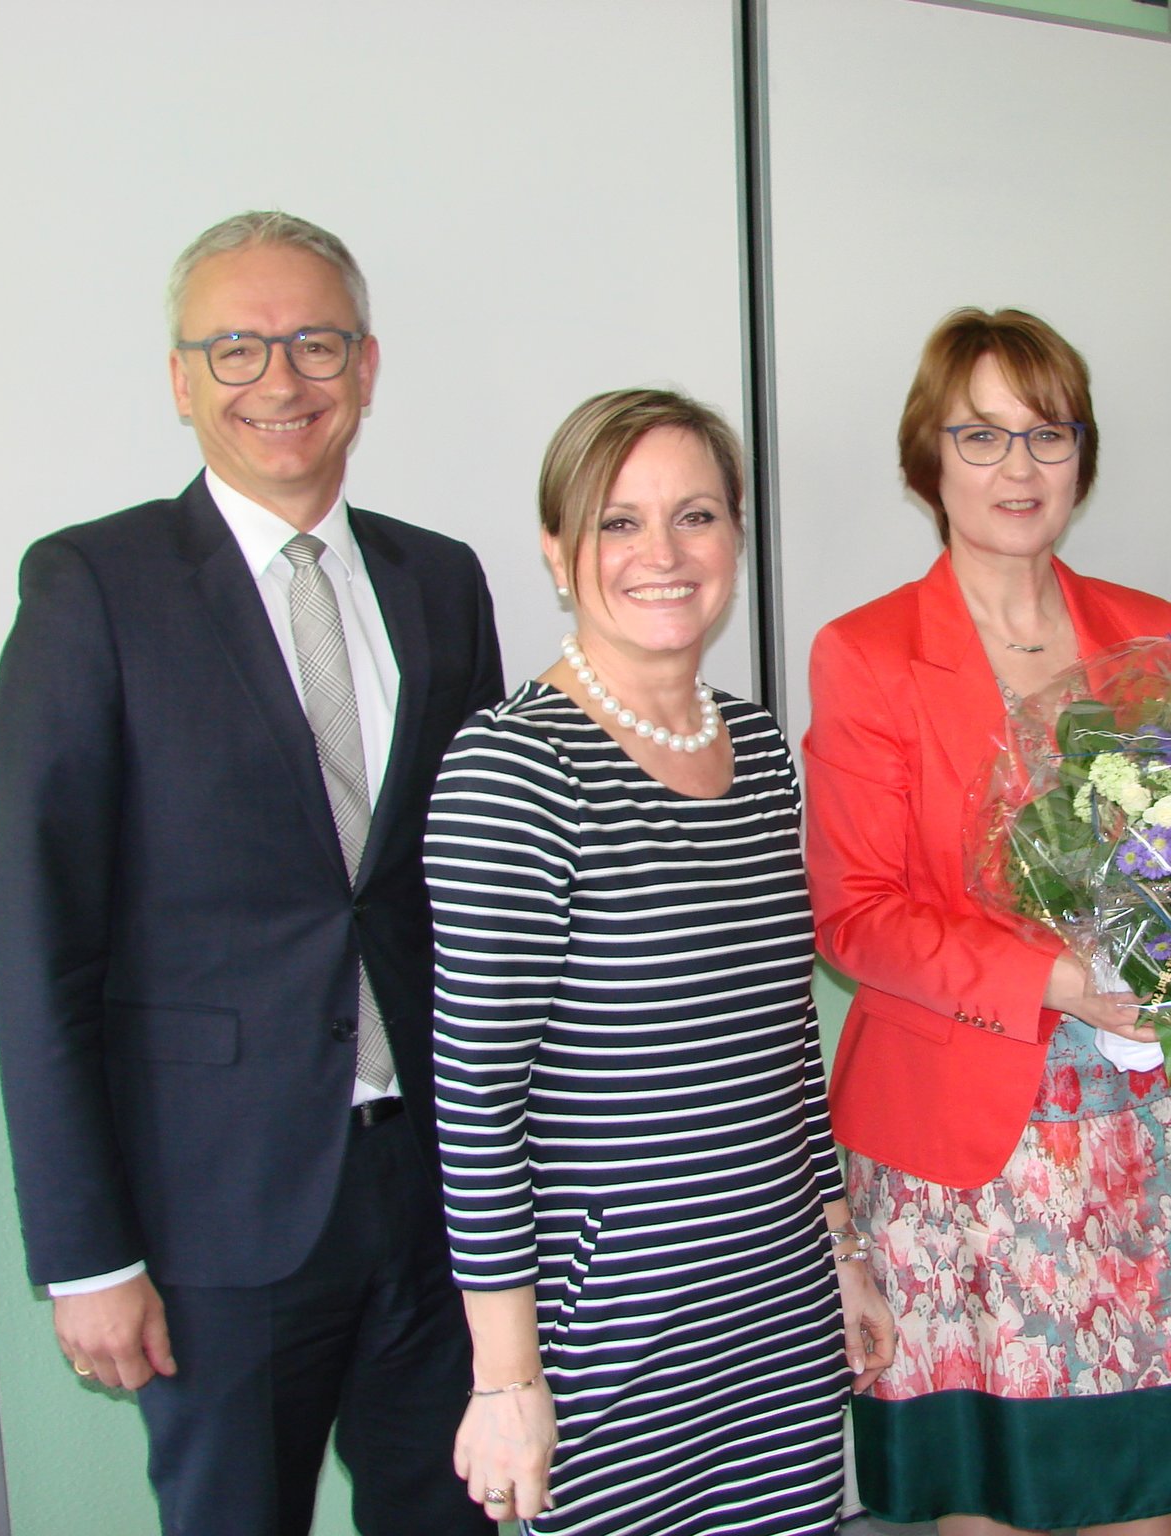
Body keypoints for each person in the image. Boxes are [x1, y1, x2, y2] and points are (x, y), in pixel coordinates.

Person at [0, 211, 504, 1533]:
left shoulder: (442, 584)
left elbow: (473, 898)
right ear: (180, 380)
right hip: (216, 1217)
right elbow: (45, 942)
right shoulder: (91, 588)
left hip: (439, 1199)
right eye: (236, 348)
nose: (282, 380)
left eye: (316, 342)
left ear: (369, 367)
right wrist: (86, 1256)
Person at [805, 308, 1171, 1536]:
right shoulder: (868, 653)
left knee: (1151, 1488)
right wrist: (1052, 978)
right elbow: (854, 917)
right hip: (961, 1149)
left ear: (1081, 457)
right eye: (980, 435)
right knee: (991, 1500)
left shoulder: (1144, 627)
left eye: (1045, 435)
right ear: (927, 458)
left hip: (1138, 1130)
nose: (1016, 469)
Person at [426, 388, 895, 1532]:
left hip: (770, 1299)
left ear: (736, 534)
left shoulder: (763, 758)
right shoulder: (512, 773)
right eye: (616, 522)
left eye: (695, 515)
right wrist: (505, 1377)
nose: (662, 554)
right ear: (556, 549)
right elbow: (477, 1098)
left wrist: (836, 1250)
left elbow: (784, 1037)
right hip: (604, 1334)